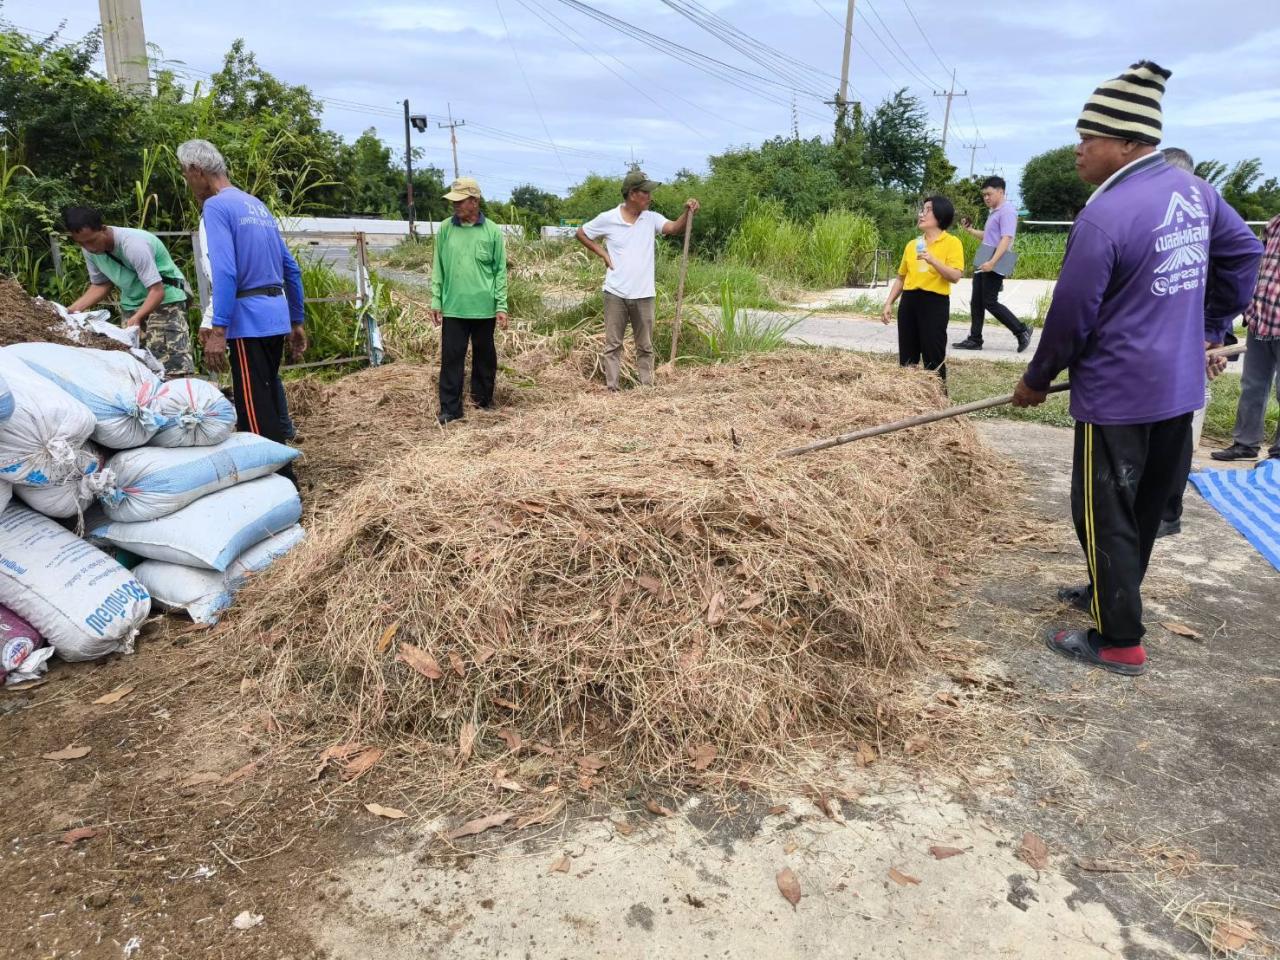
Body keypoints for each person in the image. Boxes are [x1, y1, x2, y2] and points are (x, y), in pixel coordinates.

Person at [1012, 61, 1262, 676]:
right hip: (1179, 389)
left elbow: (1070, 315)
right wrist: (1208, 329)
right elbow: (1245, 254)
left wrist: (1036, 379)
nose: (1077, 152)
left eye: (1087, 140)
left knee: (1103, 511)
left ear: (1126, 144)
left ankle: (1119, 639)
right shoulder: (1196, 194)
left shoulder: (1107, 214)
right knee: (1145, 506)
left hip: (1119, 395)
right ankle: (1110, 591)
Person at [176, 139, 305, 484]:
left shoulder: (217, 208)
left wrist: (219, 329)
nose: (189, 184)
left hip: (247, 320)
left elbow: (226, 272)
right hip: (275, 315)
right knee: (266, 393)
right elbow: (290, 268)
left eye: (186, 176)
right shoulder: (256, 205)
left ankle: (278, 480)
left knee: (252, 405)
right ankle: (281, 472)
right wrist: (296, 319)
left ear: (197, 171)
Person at [576, 170, 699, 390]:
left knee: (645, 346)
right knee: (613, 345)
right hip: (615, 293)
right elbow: (581, 233)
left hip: (644, 294)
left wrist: (687, 213)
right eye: (646, 192)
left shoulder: (650, 218)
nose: (650, 197)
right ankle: (612, 388)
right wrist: (603, 253)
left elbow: (672, 228)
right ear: (633, 194)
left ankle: (646, 388)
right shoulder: (608, 218)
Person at [64, 206, 195, 378]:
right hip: (132, 303)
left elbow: (157, 291)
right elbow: (100, 285)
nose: (89, 248)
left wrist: (137, 317)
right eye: (82, 243)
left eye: (92, 241)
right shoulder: (89, 249)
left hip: (165, 301)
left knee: (170, 366)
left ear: (103, 229)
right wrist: (68, 312)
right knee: (135, 366)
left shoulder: (133, 244)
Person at [430, 177, 508, 425]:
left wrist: (501, 305)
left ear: (474, 201)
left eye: (460, 201)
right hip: (453, 307)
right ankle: (450, 409)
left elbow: (500, 272)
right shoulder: (445, 229)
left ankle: (482, 402)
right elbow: (438, 267)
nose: (455, 206)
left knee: (485, 356)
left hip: (484, 309)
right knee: (451, 358)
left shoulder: (492, 231)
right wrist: (436, 299)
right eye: (453, 201)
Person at [1156, 147, 1205, 537]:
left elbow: (1240, 262)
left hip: (1181, 355)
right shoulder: (1158, 223)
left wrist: (1212, 333)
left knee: (1176, 430)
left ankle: (1168, 510)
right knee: (1168, 429)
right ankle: (1161, 508)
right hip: (1158, 353)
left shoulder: (1201, 221)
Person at [1209, 211, 1280, 463]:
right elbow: (1262, 269)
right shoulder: (1274, 223)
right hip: (1261, 318)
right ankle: (1245, 444)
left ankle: (1278, 453)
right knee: (1252, 386)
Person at [880, 196, 965, 381]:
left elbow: (956, 276)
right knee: (907, 358)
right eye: (922, 209)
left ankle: (939, 402)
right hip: (909, 301)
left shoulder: (952, 243)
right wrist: (888, 303)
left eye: (927, 210)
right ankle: (910, 399)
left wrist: (933, 259)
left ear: (940, 216)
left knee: (933, 356)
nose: (921, 214)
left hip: (934, 303)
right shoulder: (912, 245)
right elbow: (901, 278)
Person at [954, 177, 1033, 353]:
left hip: (996, 258)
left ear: (1001, 191)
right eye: (984, 195)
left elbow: (1006, 239)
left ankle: (1021, 331)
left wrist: (992, 262)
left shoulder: (1007, 211)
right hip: (985, 255)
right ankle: (975, 339)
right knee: (976, 302)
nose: (986, 198)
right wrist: (970, 230)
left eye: (989, 194)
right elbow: (989, 236)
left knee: (990, 302)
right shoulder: (995, 212)